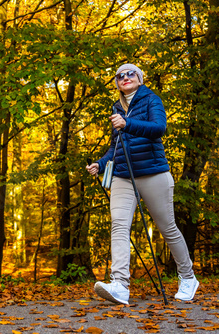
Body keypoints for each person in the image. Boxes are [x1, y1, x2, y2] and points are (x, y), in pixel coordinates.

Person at [86, 63, 199, 304]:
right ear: (117, 82)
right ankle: (120, 285)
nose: (125, 77)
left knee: (168, 227)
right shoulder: (117, 107)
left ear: (140, 78)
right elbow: (116, 145)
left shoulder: (151, 100)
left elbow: (159, 128)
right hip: (123, 175)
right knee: (118, 225)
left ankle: (188, 277)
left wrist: (128, 124)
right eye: (120, 75)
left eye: (130, 73)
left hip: (153, 173)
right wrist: (100, 163)